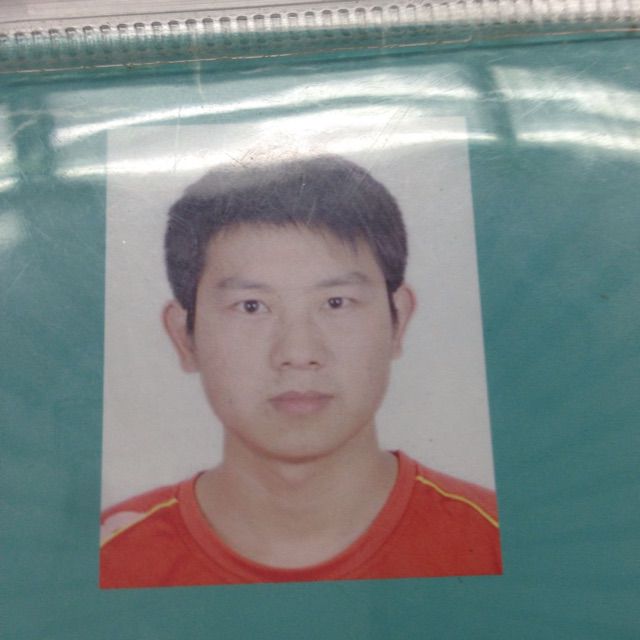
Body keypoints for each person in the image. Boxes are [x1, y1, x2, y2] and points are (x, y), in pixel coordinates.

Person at [100, 155, 501, 588]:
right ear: (185, 337)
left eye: (336, 303)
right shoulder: (111, 557)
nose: (298, 353)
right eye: (251, 307)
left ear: (398, 321)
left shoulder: (497, 538)